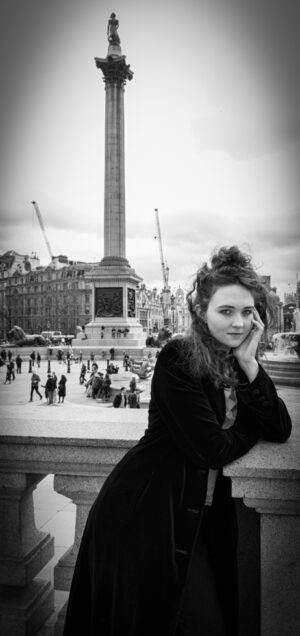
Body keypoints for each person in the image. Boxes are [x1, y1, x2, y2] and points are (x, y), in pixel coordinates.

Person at [63, 246, 292, 636]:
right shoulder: (178, 357)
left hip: (196, 517)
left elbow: (281, 427)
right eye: (226, 311)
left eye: (248, 311)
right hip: (146, 512)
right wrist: (251, 427)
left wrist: (252, 365)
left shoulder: (238, 361)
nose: (239, 322)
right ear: (201, 312)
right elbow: (212, 448)